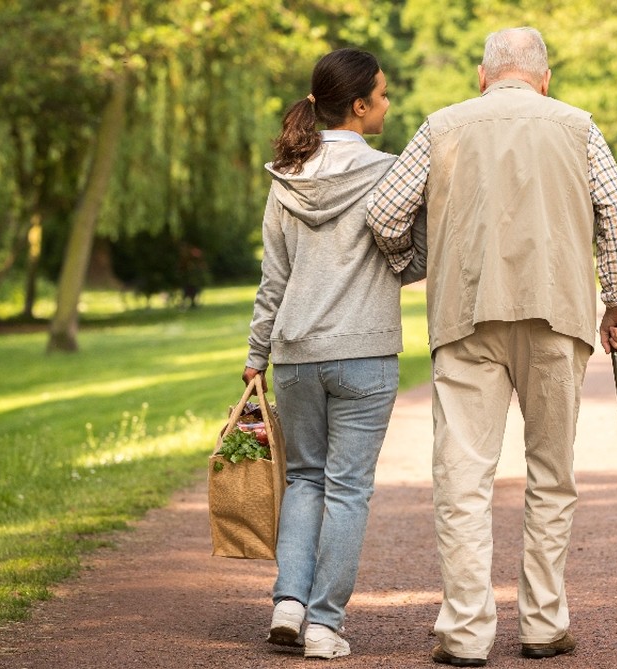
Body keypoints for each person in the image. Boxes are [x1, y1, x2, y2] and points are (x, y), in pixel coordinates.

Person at [366, 26, 617, 667]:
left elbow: (384, 213)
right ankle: (544, 626)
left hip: (466, 317)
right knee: (552, 475)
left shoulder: (442, 126)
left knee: (463, 479)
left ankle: (465, 634)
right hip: (558, 315)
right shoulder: (577, 126)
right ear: (544, 79)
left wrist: (417, 261)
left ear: (483, 77)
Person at [242, 47, 425, 660]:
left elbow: (274, 280)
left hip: (294, 353)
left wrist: (255, 355)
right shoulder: (390, 173)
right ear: (359, 106)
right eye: (383, 92)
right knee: (347, 489)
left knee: (304, 480)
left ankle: (289, 603)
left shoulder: (284, 178)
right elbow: (416, 258)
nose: (388, 102)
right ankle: (324, 625)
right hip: (366, 354)